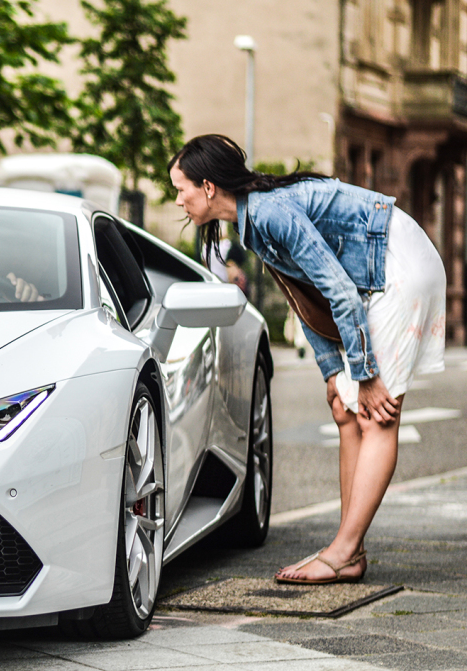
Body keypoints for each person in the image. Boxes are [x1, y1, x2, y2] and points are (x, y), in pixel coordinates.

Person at [168, 134, 446, 584]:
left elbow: (336, 287)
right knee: (344, 410)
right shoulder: (252, 219)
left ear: (208, 186)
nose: (178, 200)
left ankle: (344, 551)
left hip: (397, 268)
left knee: (378, 416)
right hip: (378, 273)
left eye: (181, 188)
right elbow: (302, 295)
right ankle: (348, 548)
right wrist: (334, 373)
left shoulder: (269, 212)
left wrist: (366, 373)